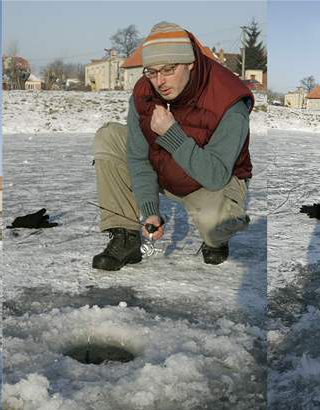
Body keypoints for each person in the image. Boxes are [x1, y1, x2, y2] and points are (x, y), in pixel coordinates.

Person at [92, 22, 254, 271]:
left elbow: (216, 175)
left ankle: (217, 238)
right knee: (110, 136)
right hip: (166, 168)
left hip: (215, 180)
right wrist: (149, 210)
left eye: (168, 70)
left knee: (216, 225)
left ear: (190, 62)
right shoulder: (143, 92)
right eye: (152, 72)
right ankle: (125, 237)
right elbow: (137, 157)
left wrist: (171, 134)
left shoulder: (230, 101)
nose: (160, 81)